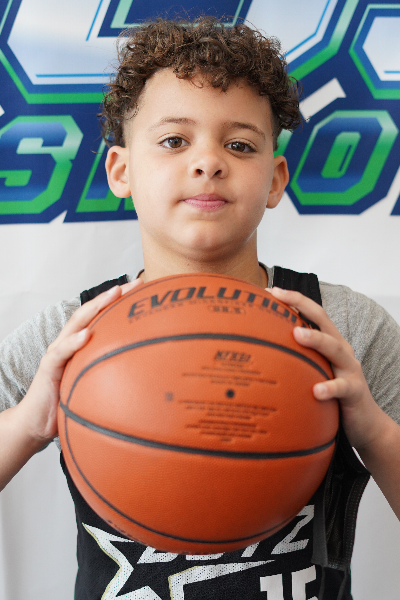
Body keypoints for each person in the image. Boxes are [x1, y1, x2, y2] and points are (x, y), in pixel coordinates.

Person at [1, 17, 400, 600]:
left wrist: (372, 428)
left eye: (239, 145)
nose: (208, 161)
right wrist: (30, 422)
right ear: (121, 171)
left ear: (275, 179)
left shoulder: (340, 325)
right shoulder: (74, 333)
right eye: (174, 141)